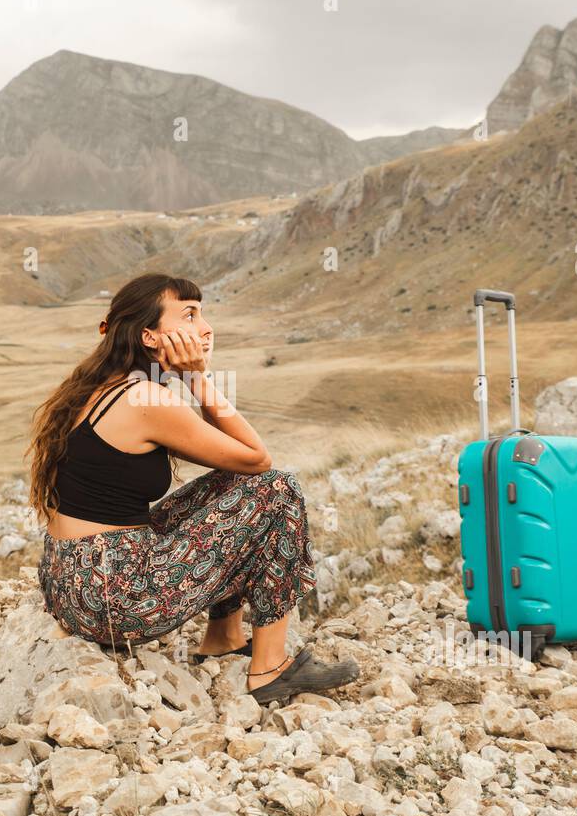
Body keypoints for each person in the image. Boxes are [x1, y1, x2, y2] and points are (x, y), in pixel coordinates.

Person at [25, 272, 359, 706]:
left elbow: (238, 471)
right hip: (113, 595)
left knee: (236, 489)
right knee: (277, 489)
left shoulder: (103, 385)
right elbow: (258, 457)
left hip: (76, 582)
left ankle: (223, 636)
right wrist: (198, 379)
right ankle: (271, 669)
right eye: (189, 315)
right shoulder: (146, 399)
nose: (206, 328)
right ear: (149, 335)